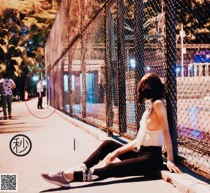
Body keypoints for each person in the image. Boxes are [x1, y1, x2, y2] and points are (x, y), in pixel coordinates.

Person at [41, 73, 182, 187]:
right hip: (141, 153)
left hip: (150, 159)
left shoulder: (158, 104)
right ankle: (82, 167)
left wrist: (170, 159)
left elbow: (166, 132)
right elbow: (139, 140)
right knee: (109, 144)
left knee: (111, 169)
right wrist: (117, 151)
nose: (143, 89)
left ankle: (67, 176)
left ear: (153, 87)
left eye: (145, 85)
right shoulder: (150, 107)